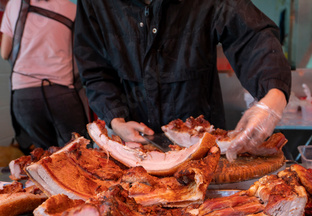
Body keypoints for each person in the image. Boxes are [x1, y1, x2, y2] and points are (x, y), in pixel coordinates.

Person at [73, 0, 291, 160]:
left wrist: (274, 95)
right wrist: (115, 119)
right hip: (134, 148)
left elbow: (252, 36)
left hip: (204, 146)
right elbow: (94, 67)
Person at [0, 0, 89, 153]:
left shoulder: (15, 4)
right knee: (75, 155)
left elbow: (4, 53)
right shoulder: (72, 9)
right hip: (61, 94)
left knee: (44, 157)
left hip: (24, 96)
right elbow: (81, 55)